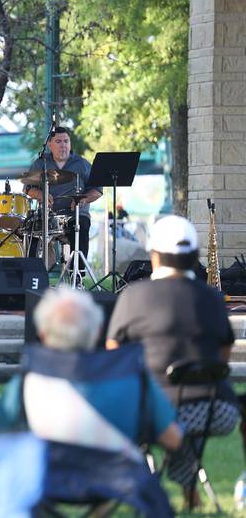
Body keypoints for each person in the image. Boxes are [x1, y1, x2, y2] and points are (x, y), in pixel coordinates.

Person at [106, 215, 240, 507]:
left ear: (154, 256)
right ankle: (190, 493)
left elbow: (114, 352)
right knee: (183, 424)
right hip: (216, 412)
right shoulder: (212, 297)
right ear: (193, 257)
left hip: (153, 413)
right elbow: (225, 349)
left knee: (170, 418)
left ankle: (150, 489)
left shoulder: (134, 296)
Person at [0, 288, 183, 455]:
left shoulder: (29, 380)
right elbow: (173, 439)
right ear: (98, 331)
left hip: (49, 476)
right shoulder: (130, 376)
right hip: (116, 478)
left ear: (42, 334)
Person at [24, 127, 102, 274]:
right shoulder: (41, 163)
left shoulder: (82, 164)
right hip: (48, 215)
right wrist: (41, 195)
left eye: (66, 141)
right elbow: (28, 189)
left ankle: (77, 275)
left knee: (81, 227)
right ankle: (32, 277)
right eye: (58, 141)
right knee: (31, 229)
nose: (63, 145)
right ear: (50, 145)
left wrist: (83, 199)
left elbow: (97, 190)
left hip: (76, 214)